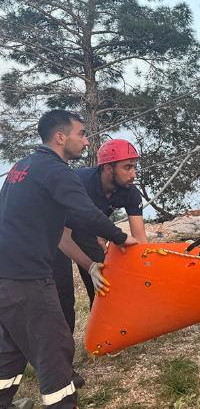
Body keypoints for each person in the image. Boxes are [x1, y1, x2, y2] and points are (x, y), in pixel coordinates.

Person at [0, 109, 137, 408]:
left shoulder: (22, 166)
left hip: (6, 272)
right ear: (61, 137)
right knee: (53, 345)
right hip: (27, 276)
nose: (87, 141)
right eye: (81, 134)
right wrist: (121, 237)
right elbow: (85, 212)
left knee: (11, 344)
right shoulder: (56, 170)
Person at [51, 139, 149, 333]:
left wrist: (146, 275)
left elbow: (140, 239)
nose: (133, 174)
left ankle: (104, 334)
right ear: (107, 168)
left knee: (104, 281)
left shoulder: (130, 192)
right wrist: (90, 266)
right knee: (63, 293)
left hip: (85, 229)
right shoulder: (80, 184)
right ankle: (63, 352)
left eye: (135, 167)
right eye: (127, 167)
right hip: (54, 232)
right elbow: (63, 236)